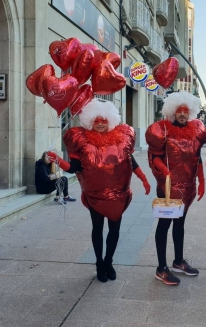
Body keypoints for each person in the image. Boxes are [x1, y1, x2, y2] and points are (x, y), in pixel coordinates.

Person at [47, 99, 151, 283]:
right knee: (97, 228)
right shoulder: (81, 141)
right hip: (95, 195)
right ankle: (98, 263)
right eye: (97, 120)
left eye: (104, 120)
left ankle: (108, 261)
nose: (101, 123)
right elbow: (73, 168)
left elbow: (130, 160)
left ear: (110, 120)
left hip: (118, 194)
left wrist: (143, 178)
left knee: (114, 229)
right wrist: (58, 160)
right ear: (89, 121)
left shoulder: (120, 138)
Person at [146, 92, 206, 286]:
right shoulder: (162, 130)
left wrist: (202, 182)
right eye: (179, 110)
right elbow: (154, 156)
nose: (182, 114)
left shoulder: (196, 130)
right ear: (172, 111)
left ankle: (178, 261)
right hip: (168, 187)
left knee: (180, 224)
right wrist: (164, 170)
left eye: (185, 110)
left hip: (187, 187)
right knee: (164, 225)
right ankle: (161, 268)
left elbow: (198, 159)